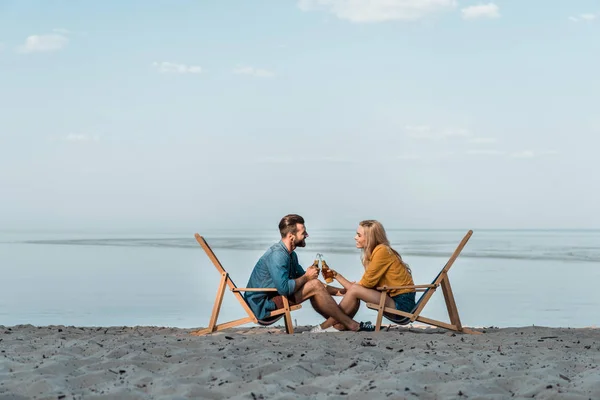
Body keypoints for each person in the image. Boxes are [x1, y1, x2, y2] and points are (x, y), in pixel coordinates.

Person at [244, 214, 375, 332]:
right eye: (303, 232)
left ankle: (339, 323)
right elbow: (284, 288)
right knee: (314, 285)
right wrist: (306, 276)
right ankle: (351, 325)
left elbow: (308, 282)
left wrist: (341, 291)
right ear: (291, 236)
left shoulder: (291, 255)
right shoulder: (277, 255)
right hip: (262, 306)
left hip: (274, 297)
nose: (307, 235)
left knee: (314, 284)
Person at [316, 219, 416, 331]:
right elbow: (361, 288)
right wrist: (336, 275)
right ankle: (340, 325)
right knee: (355, 291)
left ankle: (325, 326)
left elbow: (364, 285)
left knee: (355, 290)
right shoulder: (375, 252)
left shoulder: (381, 251)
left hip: (401, 306)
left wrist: (342, 280)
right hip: (391, 299)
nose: (355, 237)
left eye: (359, 235)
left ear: (370, 238)